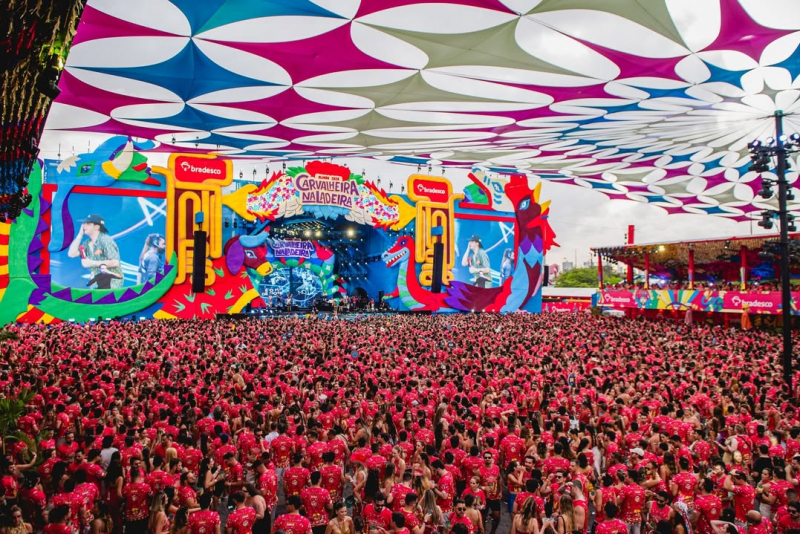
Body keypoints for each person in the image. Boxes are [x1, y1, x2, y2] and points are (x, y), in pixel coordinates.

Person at [67, 214, 123, 288]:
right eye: (84, 223)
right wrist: (80, 235)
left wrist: (92, 263)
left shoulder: (105, 240)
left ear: (97, 226)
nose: (84, 226)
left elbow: (115, 262)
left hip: (111, 284)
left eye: (88, 224)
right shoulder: (87, 243)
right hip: (96, 285)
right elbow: (72, 254)